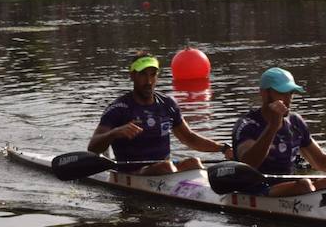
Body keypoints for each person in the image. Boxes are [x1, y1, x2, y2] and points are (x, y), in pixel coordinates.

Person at [231, 67, 326, 196]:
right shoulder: (247, 125)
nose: (288, 99)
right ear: (264, 94)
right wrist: (272, 127)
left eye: (291, 93)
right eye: (282, 93)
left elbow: (321, 161)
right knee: (304, 185)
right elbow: (248, 164)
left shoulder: (295, 122)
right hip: (254, 189)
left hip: (288, 187)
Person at [88, 53, 231, 175]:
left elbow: (189, 138)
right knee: (166, 166)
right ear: (132, 76)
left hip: (163, 170)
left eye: (153, 74)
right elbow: (93, 147)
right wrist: (115, 133)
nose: (149, 81)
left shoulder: (167, 104)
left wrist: (223, 148)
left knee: (194, 162)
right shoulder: (119, 108)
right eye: (143, 75)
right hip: (133, 172)